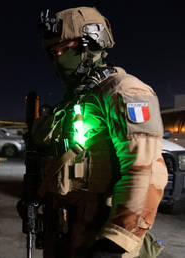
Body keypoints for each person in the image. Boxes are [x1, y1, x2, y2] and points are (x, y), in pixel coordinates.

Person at [33, 7, 168, 257]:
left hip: (101, 241)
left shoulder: (124, 91)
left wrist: (115, 242)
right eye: (53, 53)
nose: (58, 59)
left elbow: (145, 172)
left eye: (64, 49)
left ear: (91, 44)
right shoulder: (74, 100)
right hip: (67, 235)